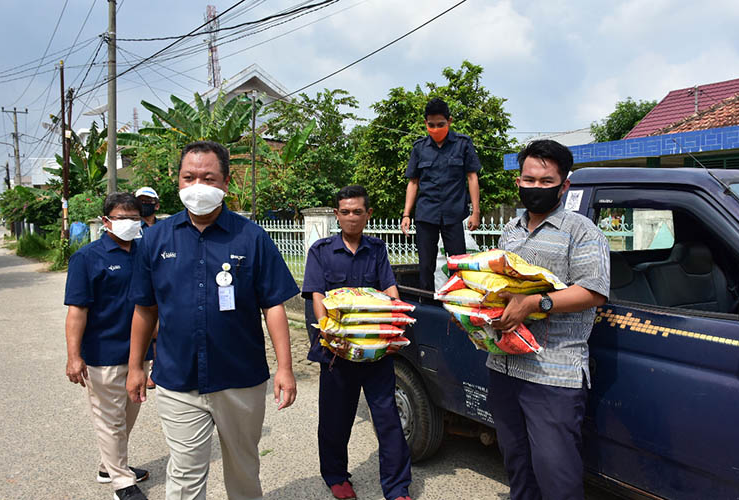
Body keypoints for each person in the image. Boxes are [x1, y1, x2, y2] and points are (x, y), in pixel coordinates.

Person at [126, 140, 300, 500]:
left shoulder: (251, 237)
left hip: (240, 378)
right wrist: (135, 367)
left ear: (225, 183)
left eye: (208, 177)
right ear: (177, 181)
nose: (198, 186)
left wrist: (285, 367)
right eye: (189, 177)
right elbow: (145, 308)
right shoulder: (155, 239)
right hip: (177, 379)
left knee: (243, 471)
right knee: (185, 476)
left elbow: (273, 306)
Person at [488, 139, 610, 500]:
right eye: (529, 180)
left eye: (546, 182)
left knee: (557, 476)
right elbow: (501, 285)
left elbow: (593, 292)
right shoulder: (510, 231)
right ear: (518, 182)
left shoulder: (582, 231)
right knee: (517, 468)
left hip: (554, 372)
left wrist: (534, 303)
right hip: (503, 365)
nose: (535, 188)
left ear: (564, 185)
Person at [302, 185, 413, 500]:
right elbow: (317, 296)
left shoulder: (376, 249)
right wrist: (329, 334)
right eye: (345, 212)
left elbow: (390, 289)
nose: (351, 217)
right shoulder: (320, 251)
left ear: (368, 215)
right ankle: (336, 476)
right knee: (335, 419)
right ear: (337, 215)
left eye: (357, 212)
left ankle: (397, 486)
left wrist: (397, 326)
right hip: (337, 353)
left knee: (388, 418)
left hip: (376, 352)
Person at [64, 192, 152, 500]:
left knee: (128, 415)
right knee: (111, 420)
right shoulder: (87, 258)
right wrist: (74, 356)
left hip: (141, 355)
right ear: (106, 221)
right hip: (104, 354)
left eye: (134, 218)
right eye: (121, 218)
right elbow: (77, 311)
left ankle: (108, 466)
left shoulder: (147, 252)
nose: (128, 224)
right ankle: (121, 483)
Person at [401, 97, 482, 291]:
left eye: (441, 124)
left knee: (458, 264)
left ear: (450, 121)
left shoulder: (463, 144)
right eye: (431, 125)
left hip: (454, 214)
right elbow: (413, 182)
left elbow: (472, 177)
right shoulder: (419, 147)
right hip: (426, 214)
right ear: (425, 123)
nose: (436, 128)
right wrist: (406, 214)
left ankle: (459, 304)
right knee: (426, 266)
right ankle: (428, 307)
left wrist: (476, 212)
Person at [134, 186, 160, 389]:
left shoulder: (164, 230)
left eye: (148, 202)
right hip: (136, 285)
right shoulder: (130, 229)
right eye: (140, 201)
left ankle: (156, 369)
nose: (144, 205)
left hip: (159, 285)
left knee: (158, 331)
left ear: (156, 205)